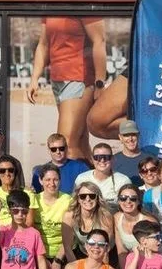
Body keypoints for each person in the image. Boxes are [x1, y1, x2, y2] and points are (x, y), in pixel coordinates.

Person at [26, 16, 108, 162]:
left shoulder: (83, 6)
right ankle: (93, 175)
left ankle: (68, 179)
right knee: (80, 143)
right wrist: (34, 78)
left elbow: (99, 41)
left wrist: (100, 83)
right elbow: (43, 44)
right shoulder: (49, 9)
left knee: (66, 144)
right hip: (57, 79)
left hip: (79, 77)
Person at [62, 182, 114, 260]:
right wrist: (75, 267)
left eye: (92, 196)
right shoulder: (69, 216)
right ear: (78, 199)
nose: (88, 199)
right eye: (83, 196)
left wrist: (101, 267)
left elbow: (105, 249)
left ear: (97, 198)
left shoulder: (105, 216)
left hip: (105, 254)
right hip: (82, 253)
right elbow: (67, 248)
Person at [72, 142, 131, 211]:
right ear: (92, 159)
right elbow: (74, 203)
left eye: (106, 157)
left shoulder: (123, 181)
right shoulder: (82, 178)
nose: (102, 160)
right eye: (97, 157)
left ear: (112, 159)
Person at [0, 157, 37, 231]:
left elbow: (29, 222)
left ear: (15, 172)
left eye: (11, 170)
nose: (7, 173)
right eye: (2, 171)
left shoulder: (28, 193)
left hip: (21, 234)